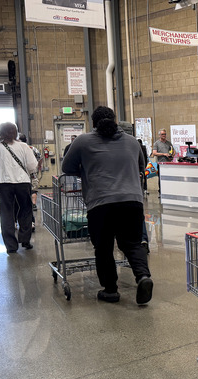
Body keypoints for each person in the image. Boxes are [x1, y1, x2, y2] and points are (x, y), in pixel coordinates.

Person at [62, 106, 153, 305]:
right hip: (132, 201)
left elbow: (66, 168)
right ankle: (143, 277)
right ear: (115, 120)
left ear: (93, 123)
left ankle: (111, 290)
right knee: (132, 243)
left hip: (100, 203)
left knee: (103, 248)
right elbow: (141, 166)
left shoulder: (82, 141)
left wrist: (88, 169)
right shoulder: (132, 142)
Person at [0, 123, 38, 254]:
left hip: (4, 184)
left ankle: (11, 246)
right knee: (26, 210)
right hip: (22, 183)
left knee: (6, 213)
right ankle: (25, 240)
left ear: (0, 132)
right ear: (16, 132)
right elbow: (32, 166)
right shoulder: (24, 147)